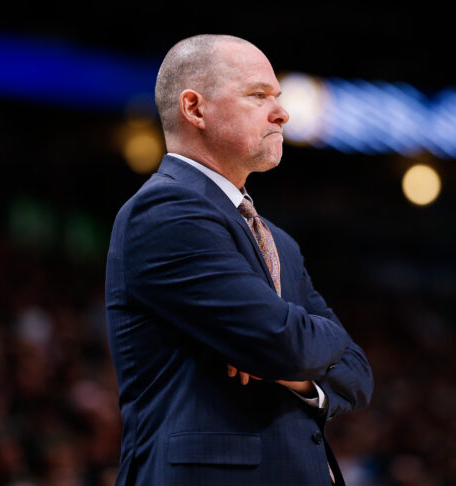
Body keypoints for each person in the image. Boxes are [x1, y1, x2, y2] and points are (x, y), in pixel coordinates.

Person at [105, 34, 374, 486]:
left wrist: (288, 375)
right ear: (195, 109)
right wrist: (301, 346)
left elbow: (359, 374)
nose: (282, 112)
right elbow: (286, 342)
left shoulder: (281, 242)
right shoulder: (166, 211)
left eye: (278, 97)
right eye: (258, 95)